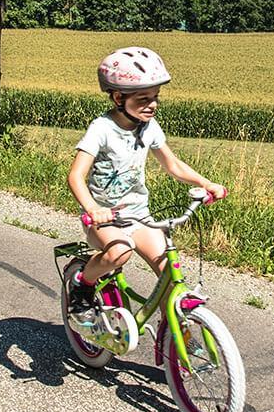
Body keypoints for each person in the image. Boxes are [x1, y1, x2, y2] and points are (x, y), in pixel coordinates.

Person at [65, 47, 226, 309]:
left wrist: (205, 183)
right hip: (105, 220)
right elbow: (75, 176)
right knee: (120, 252)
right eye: (143, 99)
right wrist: (93, 209)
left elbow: (172, 164)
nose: (152, 105)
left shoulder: (149, 127)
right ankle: (83, 283)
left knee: (170, 274)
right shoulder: (102, 129)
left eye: (155, 97)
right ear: (119, 97)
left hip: (139, 216)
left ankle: (174, 330)